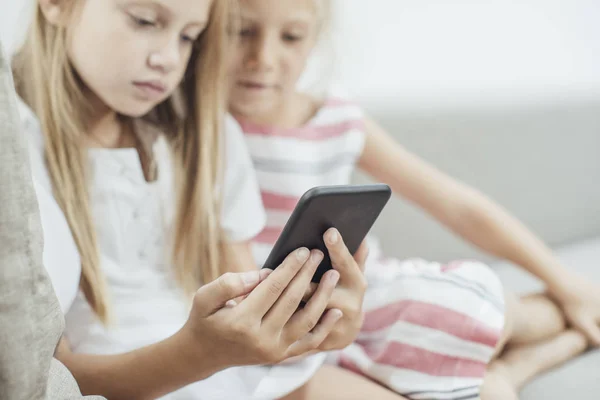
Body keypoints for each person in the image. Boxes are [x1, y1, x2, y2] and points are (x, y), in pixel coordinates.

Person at [227, 0, 600, 399]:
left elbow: (457, 205)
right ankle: (516, 367)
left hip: (366, 297)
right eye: (242, 31)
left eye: (291, 36)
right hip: (288, 332)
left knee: (466, 310)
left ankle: (564, 323)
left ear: (315, 39)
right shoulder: (205, 132)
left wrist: (564, 282)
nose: (262, 58)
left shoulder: (335, 117)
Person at [12, 0, 368, 399]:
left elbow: (249, 316)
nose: (167, 58)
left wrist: (312, 323)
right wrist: (197, 354)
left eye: (188, 37)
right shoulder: (17, 150)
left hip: (226, 374)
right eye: (144, 21)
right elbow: (42, 380)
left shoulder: (208, 137)